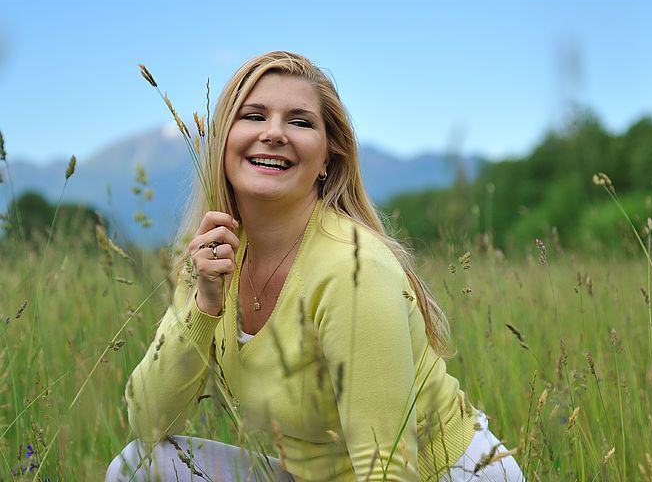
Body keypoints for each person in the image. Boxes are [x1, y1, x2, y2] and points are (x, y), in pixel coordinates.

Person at [106, 51, 525, 481]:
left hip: (438, 475)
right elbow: (148, 421)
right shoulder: (214, 253)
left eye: (300, 122)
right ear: (222, 141)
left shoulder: (352, 269)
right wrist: (205, 303)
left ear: (327, 157)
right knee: (140, 466)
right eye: (253, 115)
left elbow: (388, 469)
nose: (273, 134)